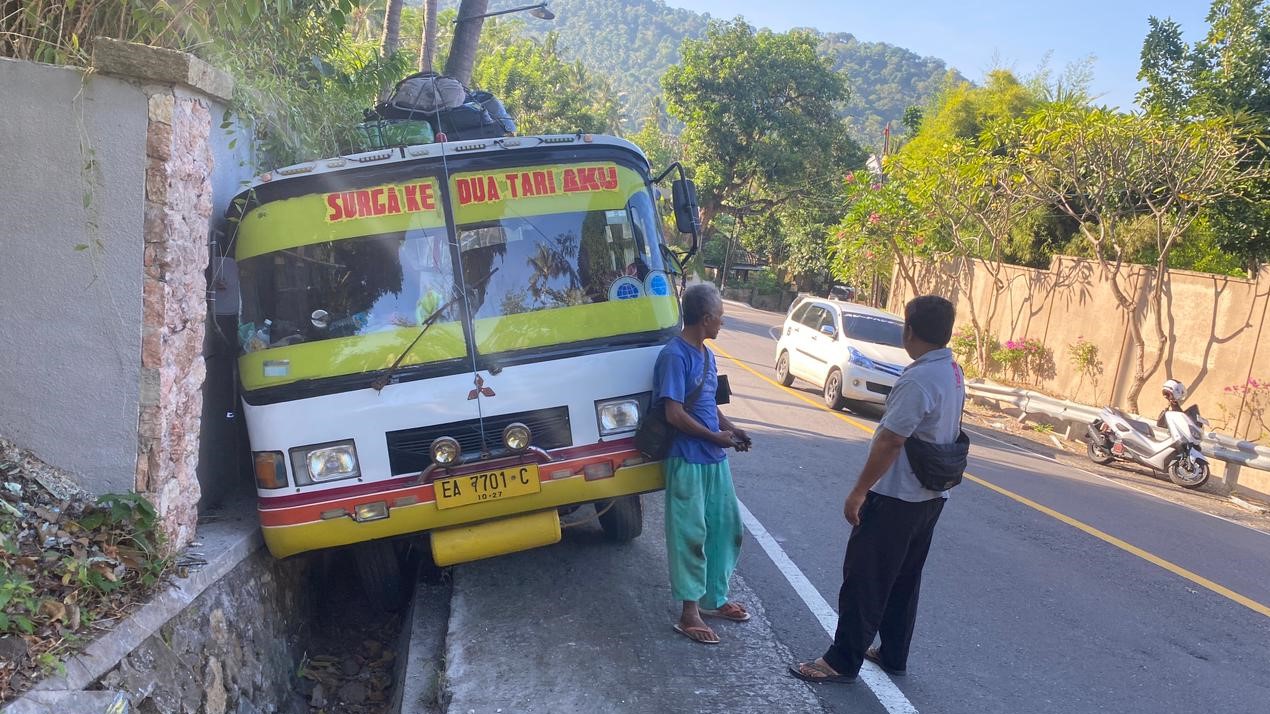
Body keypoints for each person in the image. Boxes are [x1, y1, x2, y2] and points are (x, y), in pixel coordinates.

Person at [790, 294, 962, 682]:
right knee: (903, 578)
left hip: (897, 496)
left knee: (864, 579)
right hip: (931, 496)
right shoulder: (951, 370)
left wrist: (859, 491)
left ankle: (840, 660)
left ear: (910, 331)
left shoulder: (918, 378)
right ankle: (894, 652)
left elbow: (891, 440)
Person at [654, 282, 752, 645]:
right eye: (721, 317)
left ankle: (715, 598)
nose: (723, 323)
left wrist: (732, 429)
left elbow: (710, 405)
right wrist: (715, 437)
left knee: (726, 528)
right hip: (687, 460)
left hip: (714, 459)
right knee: (690, 536)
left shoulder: (707, 354)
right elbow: (674, 414)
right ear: (706, 318)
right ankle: (689, 612)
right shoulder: (674, 356)